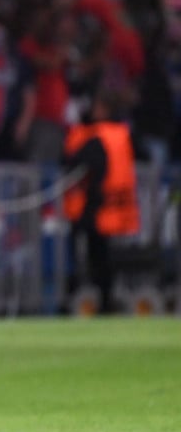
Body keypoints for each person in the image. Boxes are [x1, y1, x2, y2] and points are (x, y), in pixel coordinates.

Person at [64, 92, 139, 314]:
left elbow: (75, 160)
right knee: (106, 258)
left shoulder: (98, 138)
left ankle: (101, 301)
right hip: (120, 208)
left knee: (97, 259)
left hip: (99, 209)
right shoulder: (122, 135)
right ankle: (106, 299)